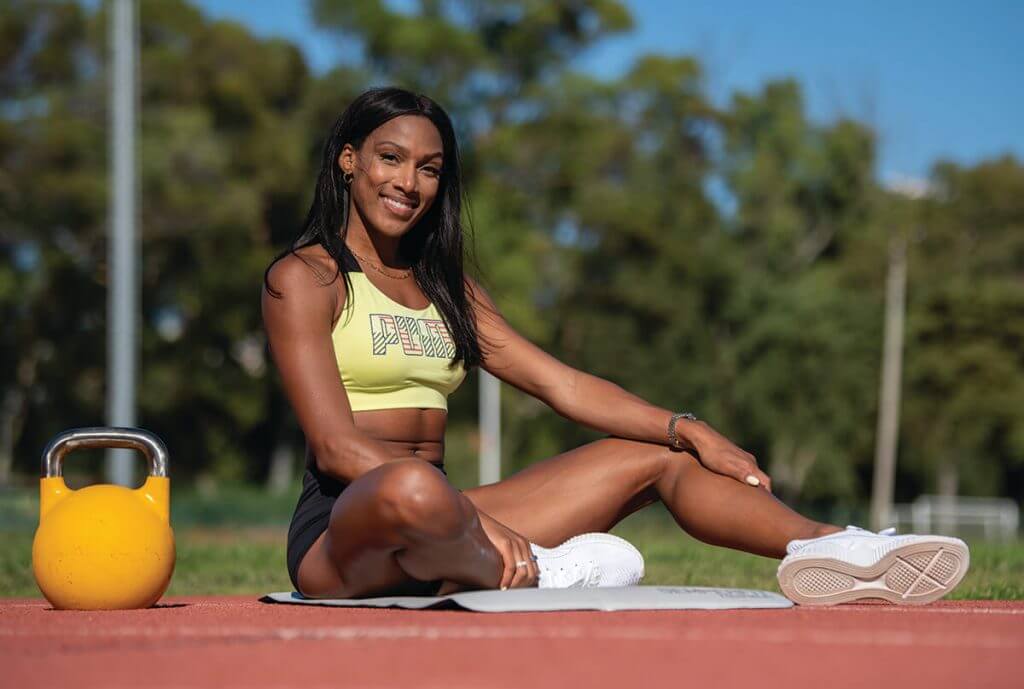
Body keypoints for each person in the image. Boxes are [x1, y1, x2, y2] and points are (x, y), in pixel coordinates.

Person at [261, 87, 969, 605]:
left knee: (659, 457)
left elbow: (563, 386)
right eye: (391, 159)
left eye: (429, 168)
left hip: (453, 520)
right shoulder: (306, 278)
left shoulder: (450, 289)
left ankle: (834, 544)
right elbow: (336, 449)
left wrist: (685, 426)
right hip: (346, 534)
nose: (408, 183)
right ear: (349, 161)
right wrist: (469, 517)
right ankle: (533, 568)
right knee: (412, 486)